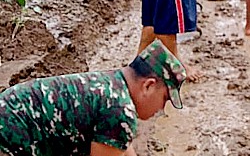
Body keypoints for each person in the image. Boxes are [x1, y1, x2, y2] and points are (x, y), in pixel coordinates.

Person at [0, 40, 186, 156]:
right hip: (11, 136)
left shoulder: (113, 84)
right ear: (148, 86)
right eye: (164, 99)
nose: (161, 110)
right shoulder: (120, 110)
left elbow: (120, 146)